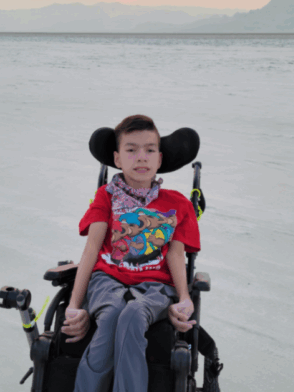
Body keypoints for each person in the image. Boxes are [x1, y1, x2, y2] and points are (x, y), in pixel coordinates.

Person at [61, 115, 201, 392]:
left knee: (133, 314)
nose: (141, 157)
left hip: (157, 284)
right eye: (131, 149)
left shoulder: (178, 204)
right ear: (117, 158)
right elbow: (91, 249)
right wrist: (75, 305)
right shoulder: (107, 196)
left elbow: (176, 255)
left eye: (149, 150)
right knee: (112, 314)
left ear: (160, 159)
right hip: (106, 280)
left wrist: (184, 299)